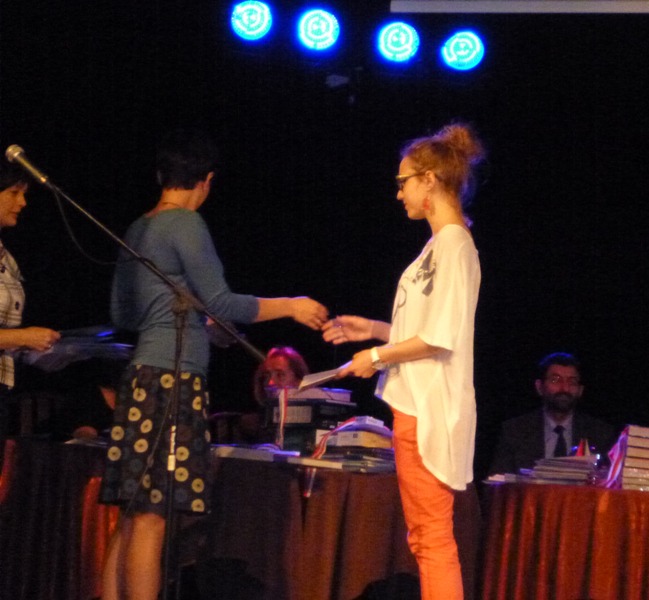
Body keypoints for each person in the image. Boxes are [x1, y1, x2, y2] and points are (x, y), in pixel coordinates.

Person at [99, 129, 329, 600]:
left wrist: (185, 317)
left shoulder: (139, 227)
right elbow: (223, 303)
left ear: (161, 175)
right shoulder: (185, 223)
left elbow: (123, 314)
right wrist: (290, 305)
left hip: (142, 377)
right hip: (171, 380)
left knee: (135, 512)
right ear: (206, 181)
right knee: (153, 516)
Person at [322, 123, 485, 600]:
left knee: (432, 540)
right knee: (425, 538)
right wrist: (374, 331)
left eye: (403, 182)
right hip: (413, 406)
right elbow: (426, 328)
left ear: (429, 179)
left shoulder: (455, 245)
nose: (399, 194)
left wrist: (375, 356)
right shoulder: (436, 247)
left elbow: (439, 337)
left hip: (431, 411)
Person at [0, 162, 61, 461]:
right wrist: (24, 337)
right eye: (14, 193)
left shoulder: (7, 259)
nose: (23, 202)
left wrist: (34, 347)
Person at [488, 352, 618, 475]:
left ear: (580, 390)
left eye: (572, 382)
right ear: (539, 387)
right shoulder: (515, 431)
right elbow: (497, 484)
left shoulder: (601, 434)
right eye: (556, 380)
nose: (564, 388)